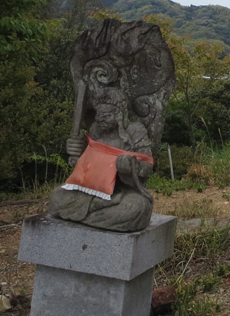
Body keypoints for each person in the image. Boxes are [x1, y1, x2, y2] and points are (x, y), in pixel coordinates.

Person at [48, 97, 155, 232]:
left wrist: (129, 166)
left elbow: (147, 165)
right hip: (90, 190)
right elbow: (85, 165)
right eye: (98, 115)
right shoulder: (95, 131)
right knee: (57, 197)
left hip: (121, 192)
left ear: (119, 115)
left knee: (137, 208)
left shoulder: (135, 130)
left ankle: (85, 213)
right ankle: (96, 210)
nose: (100, 119)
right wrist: (78, 150)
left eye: (106, 115)